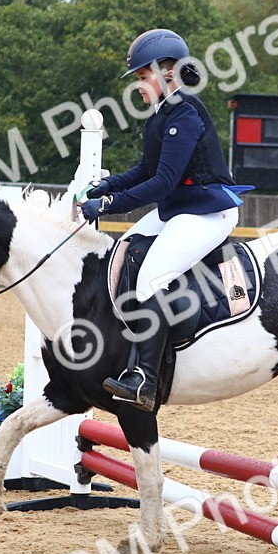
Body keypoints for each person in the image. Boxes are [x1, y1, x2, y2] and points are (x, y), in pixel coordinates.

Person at [78, 29, 252, 411]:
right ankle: (125, 348)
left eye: (143, 77)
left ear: (167, 73)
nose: (139, 87)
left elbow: (161, 183)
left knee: (151, 276)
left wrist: (109, 204)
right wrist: (107, 184)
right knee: (124, 250)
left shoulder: (185, 115)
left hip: (207, 211)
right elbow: (145, 168)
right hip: (181, 207)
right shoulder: (163, 113)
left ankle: (146, 381)